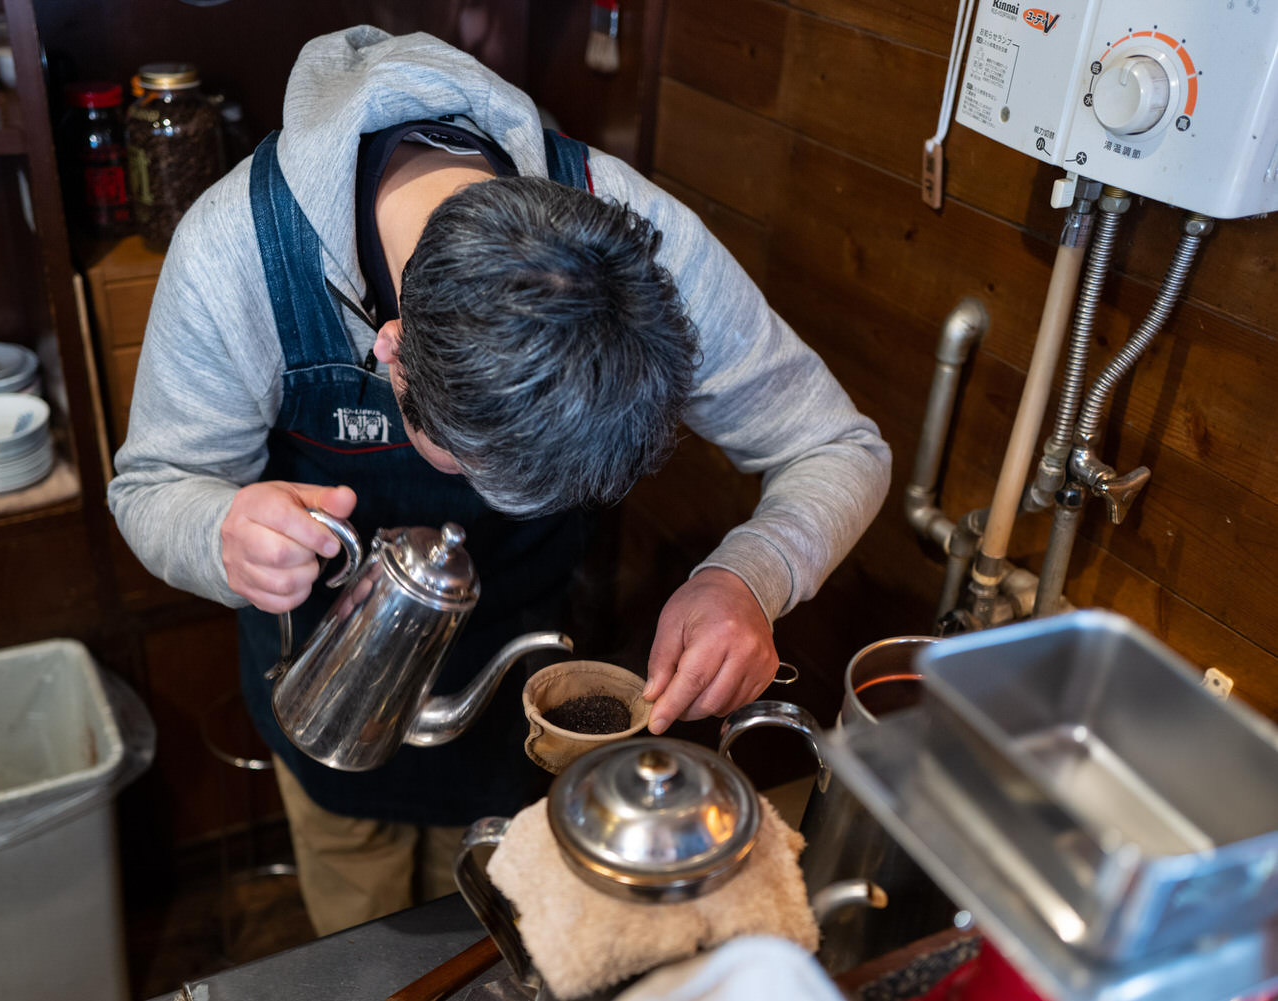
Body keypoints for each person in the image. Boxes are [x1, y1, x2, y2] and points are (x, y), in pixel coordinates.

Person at [108, 25, 891, 936]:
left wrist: (747, 575)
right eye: (471, 467)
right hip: (329, 695)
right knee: (358, 947)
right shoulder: (236, 256)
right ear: (391, 355)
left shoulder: (640, 246)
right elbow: (152, 484)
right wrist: (216, 530)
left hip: (522, 721)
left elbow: (840, 445)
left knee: (491, 942)